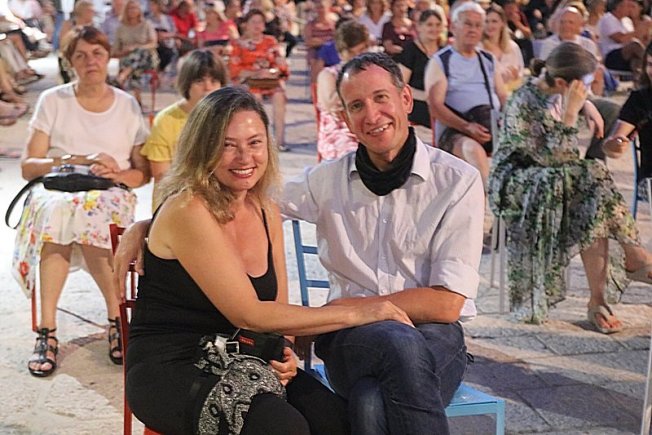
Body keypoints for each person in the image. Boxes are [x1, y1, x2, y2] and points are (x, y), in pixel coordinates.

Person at [115, 52, 483, 435]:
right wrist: (148, 224)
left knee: (365, 403)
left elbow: (447, 304)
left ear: (406, 99)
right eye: (357, 105)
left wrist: (286, 348)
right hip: (190, 359)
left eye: (254, 142)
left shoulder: (457, 181)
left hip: (428, 334)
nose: (372, 115)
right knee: (316, 407)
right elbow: (247, 307)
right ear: (344, 117)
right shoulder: (323, 181)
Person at [487, 42, 652, 332]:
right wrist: (571, 114)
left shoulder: (559, 89)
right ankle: (631, 258)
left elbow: (563, 162)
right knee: (591, 180)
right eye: (583, 85)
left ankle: (601, 297)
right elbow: (558, 157)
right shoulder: (523, 103)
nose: (585, 90)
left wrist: (587, 104)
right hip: (517, 182)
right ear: (564, 83)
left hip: (554, 176)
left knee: (592, 201)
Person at [19, 26, 150, 378]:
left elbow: (142, 173)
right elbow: (28, 166)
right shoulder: (53, 100)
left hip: (108, 192)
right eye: (81, 55)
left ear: (108, 58)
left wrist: (116, 172)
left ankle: (103, 319)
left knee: (85, 215)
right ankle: (54, 327)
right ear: (69, 62)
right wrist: (75, 159)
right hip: (60, 190)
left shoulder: (126, 104)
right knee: (61, 213)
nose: (90, 61)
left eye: (97, 53)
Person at [425, 1, 508, 191]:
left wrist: (507, 119)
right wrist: (467, 127)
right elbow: (435, 106)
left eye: (478, 25)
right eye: (468, 24)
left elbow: (503, 96)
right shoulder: (441, 61)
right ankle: (489, 198)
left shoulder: (488, 60)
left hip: (491, 126)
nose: (473, 30)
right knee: (473, 151)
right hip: (456, 130)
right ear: (454, 27)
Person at [141, 49, 226, 210]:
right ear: (187, 83)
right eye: (200, 81)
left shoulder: (229, 119)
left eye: (214, 81)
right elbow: (161, 175)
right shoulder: (166, 120)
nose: (207, 88)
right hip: (175, 204)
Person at [229, 9, 289, 151]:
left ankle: (279, 141)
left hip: (268, 79)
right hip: (248, 80)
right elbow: (234, 69)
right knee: (255, 98)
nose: (257, 26)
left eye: (260, 22)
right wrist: (256, 73)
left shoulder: (270, 41)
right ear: (246, 25)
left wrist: (272, 72)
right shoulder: (238, 44)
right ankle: (258, 140)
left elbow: (281, 64)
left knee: (279, 94)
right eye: (253, 22)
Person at [603, 41, 652, 199]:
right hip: (649, 181)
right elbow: (613, 145)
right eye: (650, 64)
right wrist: (616, 143)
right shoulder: (640, 100)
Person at [316, 19, 369, 160]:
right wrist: (352, 77)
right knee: (353, 156)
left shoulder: (372, 72)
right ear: (341, 53)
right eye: (351, 53)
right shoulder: (329, 74)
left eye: (361, 51)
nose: (357, 57)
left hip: (367, 128)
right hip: (339, 132)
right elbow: (331, 104)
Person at [397, 9, 445, 128]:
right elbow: (401, 85)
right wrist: (426, 96)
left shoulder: (444, 52)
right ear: (419, 27)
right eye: (429, 25)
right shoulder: (410, 50)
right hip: (417, 112)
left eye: (437, 25)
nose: (434, 29)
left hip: (441, 111)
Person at [113, 0, 159, 104]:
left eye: (134, 8)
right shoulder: (121, 28)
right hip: (128, 59)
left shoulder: (146, 25)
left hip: (147, 58)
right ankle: (138, 102)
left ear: (139, 10)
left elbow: (153, 44)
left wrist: (136, 47)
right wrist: (125, 51)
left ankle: (123, 75)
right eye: (130, 8)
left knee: (139, 52)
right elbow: (115, 51)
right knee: (135, 67)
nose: (132, 11)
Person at [481, 4, 524, 94]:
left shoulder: (513, 47)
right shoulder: (478, 49)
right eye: (486, 21)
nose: (489, 25)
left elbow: (520, 76)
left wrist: (516, 76)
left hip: (511, 95)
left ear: (502, 23)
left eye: (494, 21)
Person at [597, 0, 645, 74]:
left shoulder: (627, 21)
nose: (629, 9)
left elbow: (637, 38)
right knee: (634, 45)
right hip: (611, 55)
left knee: (636, 59)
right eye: (627, 6)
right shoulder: (608, 18)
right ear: (618, 7)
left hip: (626, 55)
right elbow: (620, 39)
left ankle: (639, 77)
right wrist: (640, 30)